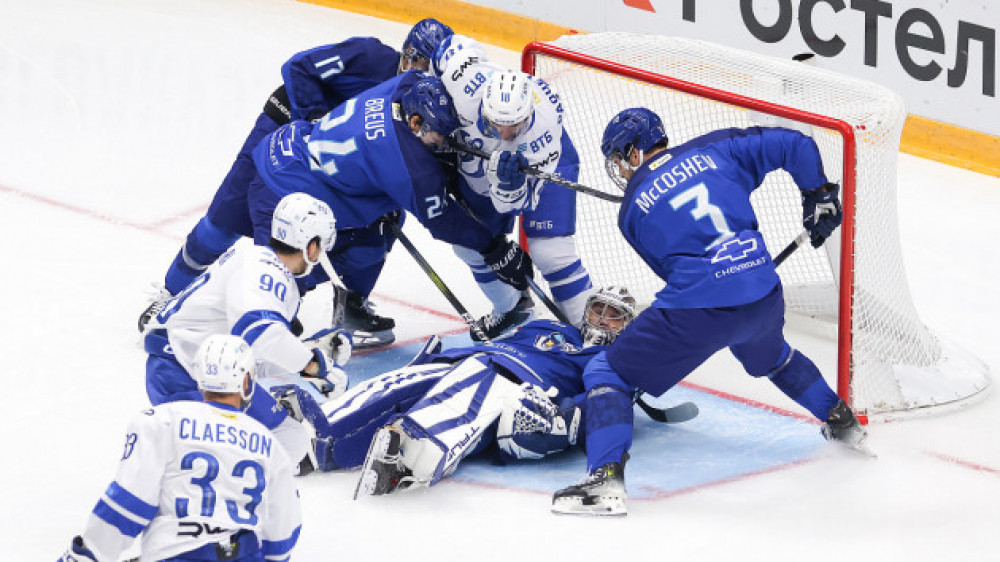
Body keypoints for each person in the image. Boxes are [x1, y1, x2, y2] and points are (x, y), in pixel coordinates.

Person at [549, 107, 871, 517]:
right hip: (763, 293)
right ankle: (842, 423)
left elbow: (674, 272)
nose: (621, 169)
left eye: (619, 158)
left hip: (700, 308)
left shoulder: (629, 213)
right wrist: (818, 194)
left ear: (633, 152)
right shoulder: (717, 149)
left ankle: (604, 479)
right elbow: (797, 144)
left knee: (607, 371)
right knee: (774, 357)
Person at [138, 18, 456, 348]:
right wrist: (314, 117)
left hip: (334, 167)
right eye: (419, 64)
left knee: (377, 225)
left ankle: (348, 306)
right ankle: (171, 294)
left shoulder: (429, 98)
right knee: (225, 219)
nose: (423, 75)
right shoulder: (370, 57)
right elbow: (299, 67)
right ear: (406, 53)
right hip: (285, 135)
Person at [245, 71, 532, 347]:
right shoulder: (410, 168)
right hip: (285, 193)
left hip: (289, 152)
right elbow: (443, 221)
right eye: (438, 137)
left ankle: (351, 307)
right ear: (416, 122)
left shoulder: (406, 86)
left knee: (382, 226)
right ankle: (272, 315)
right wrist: (492, 247)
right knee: (282, 285)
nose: (443, 143)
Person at [270, 287, 646, 496]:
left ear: (626, 326)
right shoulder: (551, 327)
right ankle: (315, 435)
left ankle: (409, 453)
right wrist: (487, 340)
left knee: (460, 403)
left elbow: (599, 405)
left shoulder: (612, 360)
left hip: (511, 381)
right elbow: (502, 340)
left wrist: (562, 417)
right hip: (469, 357)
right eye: (597, 309)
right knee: (392, 385)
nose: (602, 319)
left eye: (613, 315)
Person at [144, 192, 351, 473]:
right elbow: (259, 330)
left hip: (197, 369)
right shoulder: (265, 269)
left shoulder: (258, 261)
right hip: (181, 374)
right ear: (311, 246)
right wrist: (312, 365)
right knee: (273, 444)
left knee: (289, 437)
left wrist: (311, 353)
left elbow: (252, 352)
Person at [59, 335, 301, 562]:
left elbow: (130, 502)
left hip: (176, 552)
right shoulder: (269, 443)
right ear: (246, 381)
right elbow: (283, 530)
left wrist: (89, 553)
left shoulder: (162, 420)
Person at [432, 35, 597, 341]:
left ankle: (591, 332)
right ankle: (511, 309)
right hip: (477, 164)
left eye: (514, 126)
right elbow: (445, 45)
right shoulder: (466, 84)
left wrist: (510, 187)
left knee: (550, 252)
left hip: (538, 168)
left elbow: (521, 204)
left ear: (528, 115)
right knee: (469, 243)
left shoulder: (541, 133)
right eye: (497, 124)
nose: (506, 134)